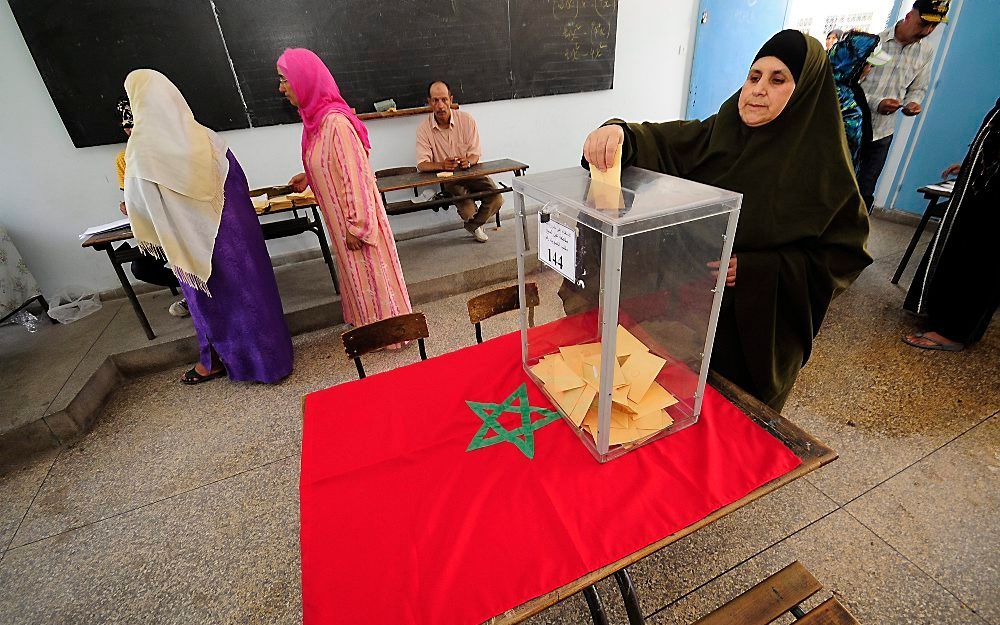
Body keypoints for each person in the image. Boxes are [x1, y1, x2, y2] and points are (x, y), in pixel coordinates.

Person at [581, 30, 872, 411]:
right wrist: (617, 132)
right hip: (691, 314)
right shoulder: (720, 136)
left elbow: (845, 256)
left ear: (805, 91)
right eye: (754, 77)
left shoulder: (825, 172)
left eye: (777, 79)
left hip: (756, 326)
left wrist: (759, 270)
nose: (758, 90)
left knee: (734, 422)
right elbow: (664, 142)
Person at [123, 69, 293, 384]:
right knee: (253, 294)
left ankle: (214, 362)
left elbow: (138, 205)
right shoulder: (206, 137)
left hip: (193, 242)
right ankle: (274, 359)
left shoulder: (142, 149)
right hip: (237, 236)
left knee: (209, 302)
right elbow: (238, 184)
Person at [277, 48, 412, 331]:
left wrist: (357, 226)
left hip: (355, 224)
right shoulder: (316, 123)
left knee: (374, 279)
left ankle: (390, 334)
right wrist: (309, 176)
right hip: (344, 224)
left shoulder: (336, 123)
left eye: (285, 80)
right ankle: (370, 331)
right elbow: (333, 164)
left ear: (304, 80)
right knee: (361, 281)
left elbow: (357, 176)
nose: (281, 88)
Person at [902, 98, 999, 352]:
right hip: (981, 188)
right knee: (963, 251)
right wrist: (971, 164)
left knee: (980, 258)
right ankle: (943, 317)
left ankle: (955, 331)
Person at [857, 0, 950, 212]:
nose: (928, 30)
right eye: (924, 23)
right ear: (909, 16)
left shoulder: (925, 52)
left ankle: (850, 238)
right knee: (836, 184)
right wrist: (876, 103)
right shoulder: (873, 43)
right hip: (853, 127)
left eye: (934, 26)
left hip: (883, 133)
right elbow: (850, 85)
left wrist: (913, 104)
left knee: (864, 191)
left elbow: (918, 87)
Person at [114, 98, 189, 317]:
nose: (130, 131)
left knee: (190, 251)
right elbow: (131, 197)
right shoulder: (124, 159)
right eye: (127, 127)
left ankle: (202, 290)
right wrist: (127, 205)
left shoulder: (175, 149)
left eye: (134, 125)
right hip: (156, 226)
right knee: (141, 268)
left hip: (186, 222)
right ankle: (194, 288)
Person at [416, 80, 501, 243]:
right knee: (469, 211)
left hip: (471, 172)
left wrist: (467, 162)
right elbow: (422, 164)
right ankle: (476, 223)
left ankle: (474, 225)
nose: (440, 106)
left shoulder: (467, 120)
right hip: (449, 178)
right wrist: (442, 165)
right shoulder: (424, 128)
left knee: (497, 197)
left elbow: (475, 155)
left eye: (444, 99)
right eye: (435, 100)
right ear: (429, 102)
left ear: (451, 99)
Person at [828, 31, 880, 171]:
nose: (869, 70)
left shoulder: (847, 88)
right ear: (855, 64)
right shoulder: (842, 96)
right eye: (868, 65)